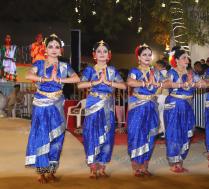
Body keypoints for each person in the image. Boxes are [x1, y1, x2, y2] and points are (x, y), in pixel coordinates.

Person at [25, 34, 80, 183]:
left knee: (57, 138)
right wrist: (46, 79)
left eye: (57, 47)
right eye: (50, 46)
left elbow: (77, 78)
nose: (54, 49)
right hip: (41, 104)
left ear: (61, 50)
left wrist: (60, 79)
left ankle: (51, 171)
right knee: (42, 136)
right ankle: (41, 172)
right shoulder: (40, 64)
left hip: (57, 105)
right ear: (45, 49)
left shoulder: (64, 66)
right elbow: (28, 75)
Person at [78, 40, 126, 179]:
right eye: (99, 51)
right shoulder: (89, 70)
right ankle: (93, 167)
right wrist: (96, 82)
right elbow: (80, 85)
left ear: (109, 55)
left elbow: (123, 86)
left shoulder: (112, 71)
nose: (102, 54)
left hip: (108, 106)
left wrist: (109, 82)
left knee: (108, 135)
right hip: (93, 104)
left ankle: (102, 166)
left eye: (105, 51)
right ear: (94, 54)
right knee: (91, 134)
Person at [127, 44, 163, 177]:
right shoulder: (135, 71)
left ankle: (145, 166)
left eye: (149, 54)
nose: (147, 57)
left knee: (150, 135)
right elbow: (130, 82)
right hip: (138, 107)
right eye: (144, 55)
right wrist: (145, 83)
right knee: (137, 134)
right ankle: (137, 166)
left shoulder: (155, 72)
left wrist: (158, 84)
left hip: (151, 106)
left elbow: (166, 83)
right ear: (139, 57)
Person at [163, 46, 200, 173]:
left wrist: (198, 83)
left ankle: (180, 159)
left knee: (187, 131)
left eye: (187, 58)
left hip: (187, 106)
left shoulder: (191, 74)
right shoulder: (172, 72)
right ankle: (174, 162)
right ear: (177, 60)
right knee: (174, 132)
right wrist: (180, 84)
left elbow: (202, 83)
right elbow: (166, 84)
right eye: (184, 58)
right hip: (174, 105)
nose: (187, 60)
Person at [154, 59, 168, 138]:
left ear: (159, 66)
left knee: (161, 114)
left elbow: (159, 86)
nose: (155, 67)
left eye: (156, 66)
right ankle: (162, 131)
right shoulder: (168, 73)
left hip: (161, 95)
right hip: (167, 96)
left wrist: (155, 94)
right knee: (164, 114)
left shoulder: (159, 74)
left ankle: (162, 131)